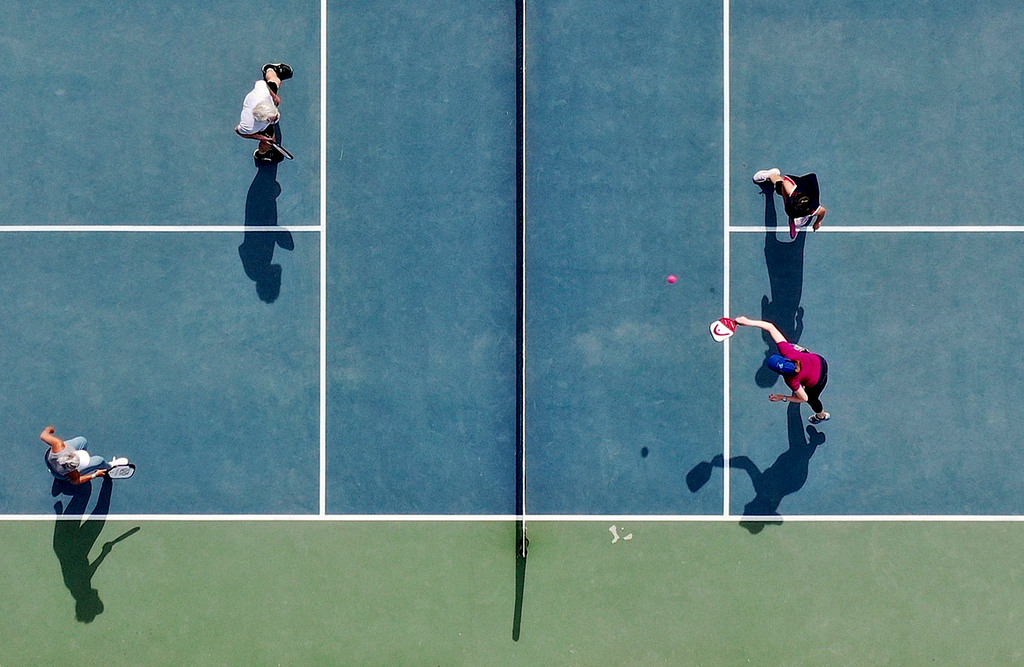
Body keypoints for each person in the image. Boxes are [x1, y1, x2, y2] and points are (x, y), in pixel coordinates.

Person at [734, 316, 830, 424]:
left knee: (812, 399)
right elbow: (770, 327)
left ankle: (821, 415)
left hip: (819, 381)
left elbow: (804, 398)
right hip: (821, 361)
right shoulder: (788, 352)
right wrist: (747, 322)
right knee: (797, 350)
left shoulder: (791, 380)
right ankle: (804, 352)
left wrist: (782, 397)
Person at [235, 63, 294, 164]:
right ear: (264, 120)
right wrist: (259, 137)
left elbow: (263, 84)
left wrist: (274, 96)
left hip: (266, 97)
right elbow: (238, 130)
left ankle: (270, 68)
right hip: (258, 125)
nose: (276, 117)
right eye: (272, 118)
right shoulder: (249, 126)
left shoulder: (262, 93)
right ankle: (261, 154)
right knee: (268, 141)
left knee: (276, 81)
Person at [752, 168, 827, 239]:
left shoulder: (814, 207)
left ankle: (804, 216)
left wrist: (817, 223)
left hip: (810, 188)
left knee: (810, 211)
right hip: (798, 185)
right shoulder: (789, 188)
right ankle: (771, 174)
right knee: (779, 188)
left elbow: (823, 211)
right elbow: (784, 191)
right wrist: (787, 204)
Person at [41, 426, 126, 485]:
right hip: (60, 474)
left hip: (50, 461)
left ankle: (52, 469)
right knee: (99, 460)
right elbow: (76, 481)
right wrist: (95, 475)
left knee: (82, 441)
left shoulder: (58, 445)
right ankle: (110, 466)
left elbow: (43, 435)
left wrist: (49, 429)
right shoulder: (73, 472)